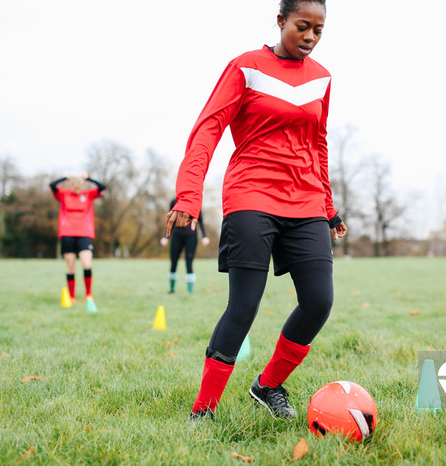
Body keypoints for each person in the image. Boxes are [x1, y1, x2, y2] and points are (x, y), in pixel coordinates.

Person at [165, 0, 347, 422]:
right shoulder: (246, 67)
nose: (310, 37)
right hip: (252, 196)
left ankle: (267, 386)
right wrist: (188, 196)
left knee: (319, 301)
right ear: (281, 20)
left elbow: (317, 144)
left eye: (318, 30)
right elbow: (207, 129)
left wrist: (328, 205)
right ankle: (203, 410)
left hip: (306, 201)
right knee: (244, 305)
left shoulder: (322, 79)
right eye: (302, 26)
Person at [50, 172, 106, 307]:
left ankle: (88, 294)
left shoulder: (88, 195)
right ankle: (72, 296)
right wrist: (65, 177)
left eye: (80, 185)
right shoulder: (64, 194)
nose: (77, 188)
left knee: (87, 264)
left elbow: (102, 187)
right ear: (71, 185)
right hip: (67, 233)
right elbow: (52, 185)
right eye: (75, 185)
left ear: (83, 185)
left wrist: (88, 178)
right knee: (70, 267)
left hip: (84, 234)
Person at [160, 199, 210, 294]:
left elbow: (201, 220)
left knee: (189, 263)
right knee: (173, 263)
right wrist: (165, 237)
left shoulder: (195, 201)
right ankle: (172, 289)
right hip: (176, 235)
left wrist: (204, 236)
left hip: (191, 236)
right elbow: (170, 219)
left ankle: (190, 292)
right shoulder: (174, 202)